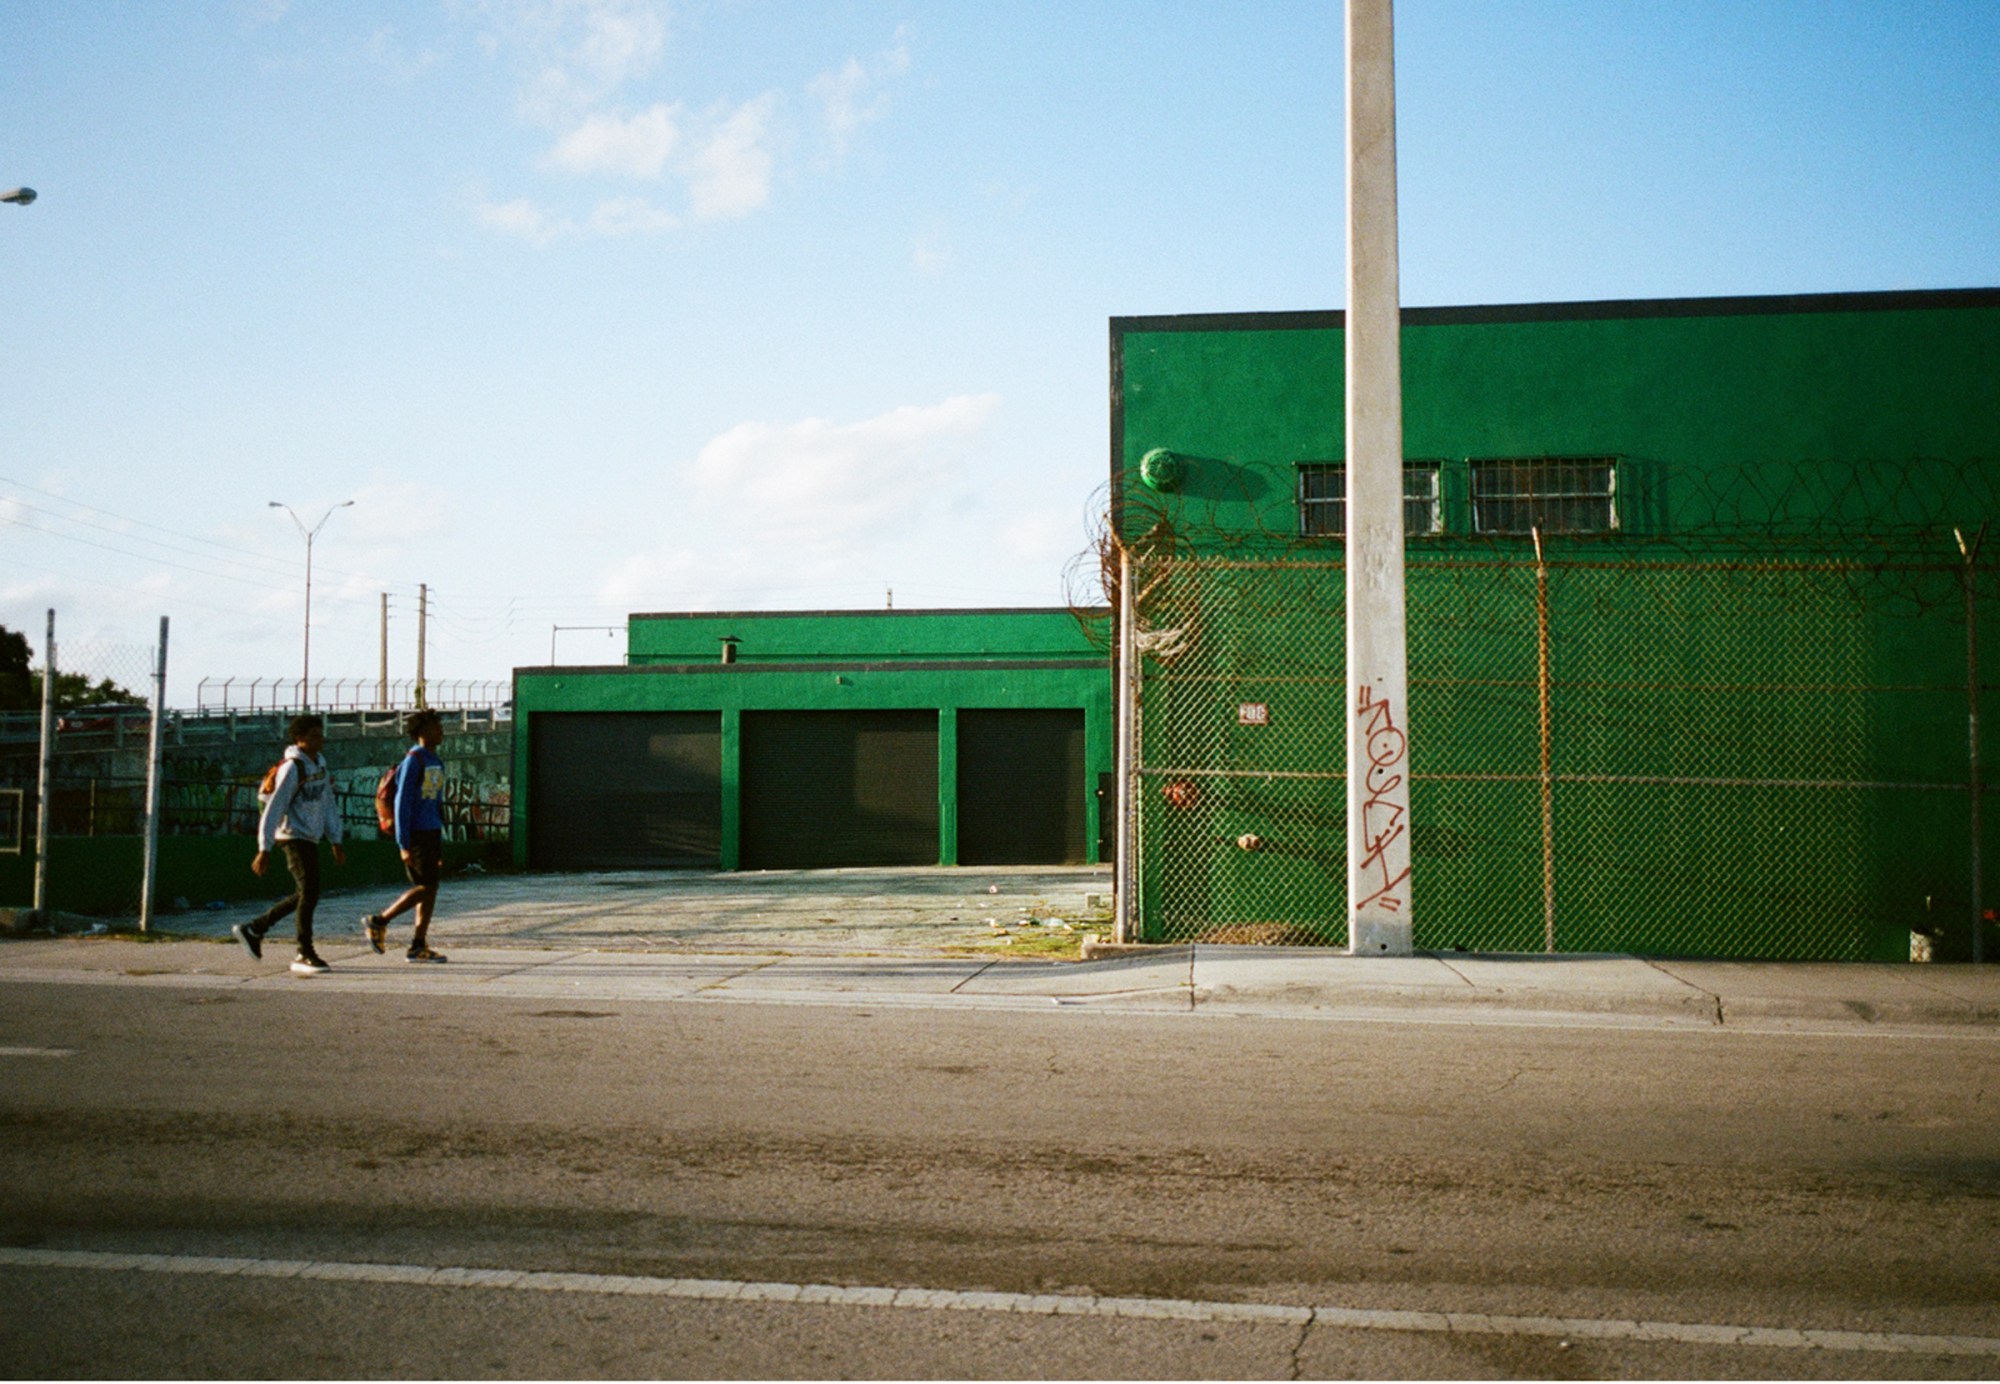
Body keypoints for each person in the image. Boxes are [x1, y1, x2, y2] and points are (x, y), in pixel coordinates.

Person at [234, 713, 346, 975]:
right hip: (291, 835)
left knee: (308, 891)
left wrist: (336, 839)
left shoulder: (319, 764)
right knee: (309, 891)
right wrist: (264, 848)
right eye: (314, 736)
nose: (321, 740)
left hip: (309, 836)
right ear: (300, 739)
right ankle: (303, 952)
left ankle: (255, 928)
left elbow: (327, 803)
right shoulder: (292, 768)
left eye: (321, 735)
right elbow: (274, 808)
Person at [361, 708, 449, 963]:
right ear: (422, 731)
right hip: (417, 834)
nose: (441, 731)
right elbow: (402, 804)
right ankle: (379, 920)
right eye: (436, 726)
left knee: (431, 890)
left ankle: (418, 945)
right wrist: (403, 844)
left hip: (432, 832)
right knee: (424, 887)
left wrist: (440, 839)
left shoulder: (436, 760)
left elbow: (436, 802)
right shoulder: (414, 760)